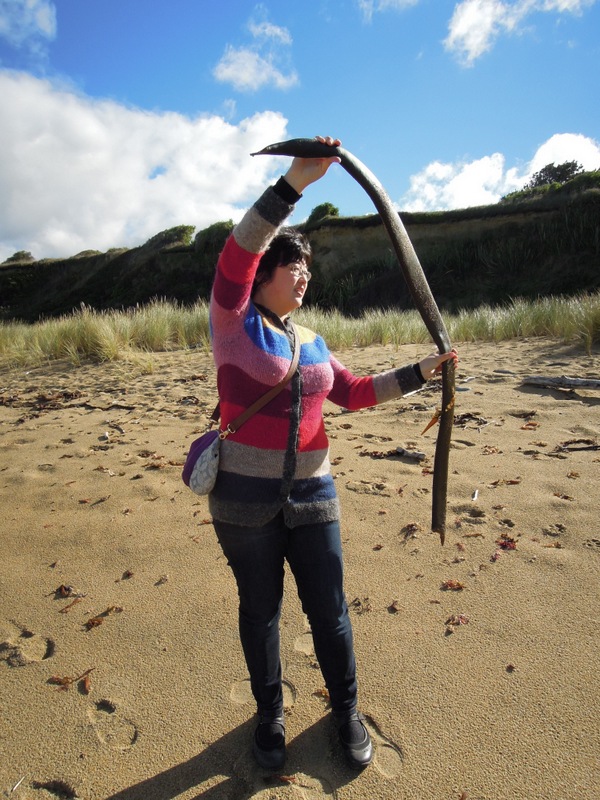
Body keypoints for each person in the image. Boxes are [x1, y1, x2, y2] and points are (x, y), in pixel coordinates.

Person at [208, 135, 458, 771]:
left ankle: (345, 711)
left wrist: (420, 373)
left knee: (331, 611)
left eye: (309, 269)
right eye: (295, 266)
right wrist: (294, 183)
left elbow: (352, 392)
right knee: (260, 611)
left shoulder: (314, 340)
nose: (305, 276)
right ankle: (269, 715)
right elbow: (238, 253)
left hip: (314, 494)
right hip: (243, 502)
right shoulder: (233, 321)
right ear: (265, 273)